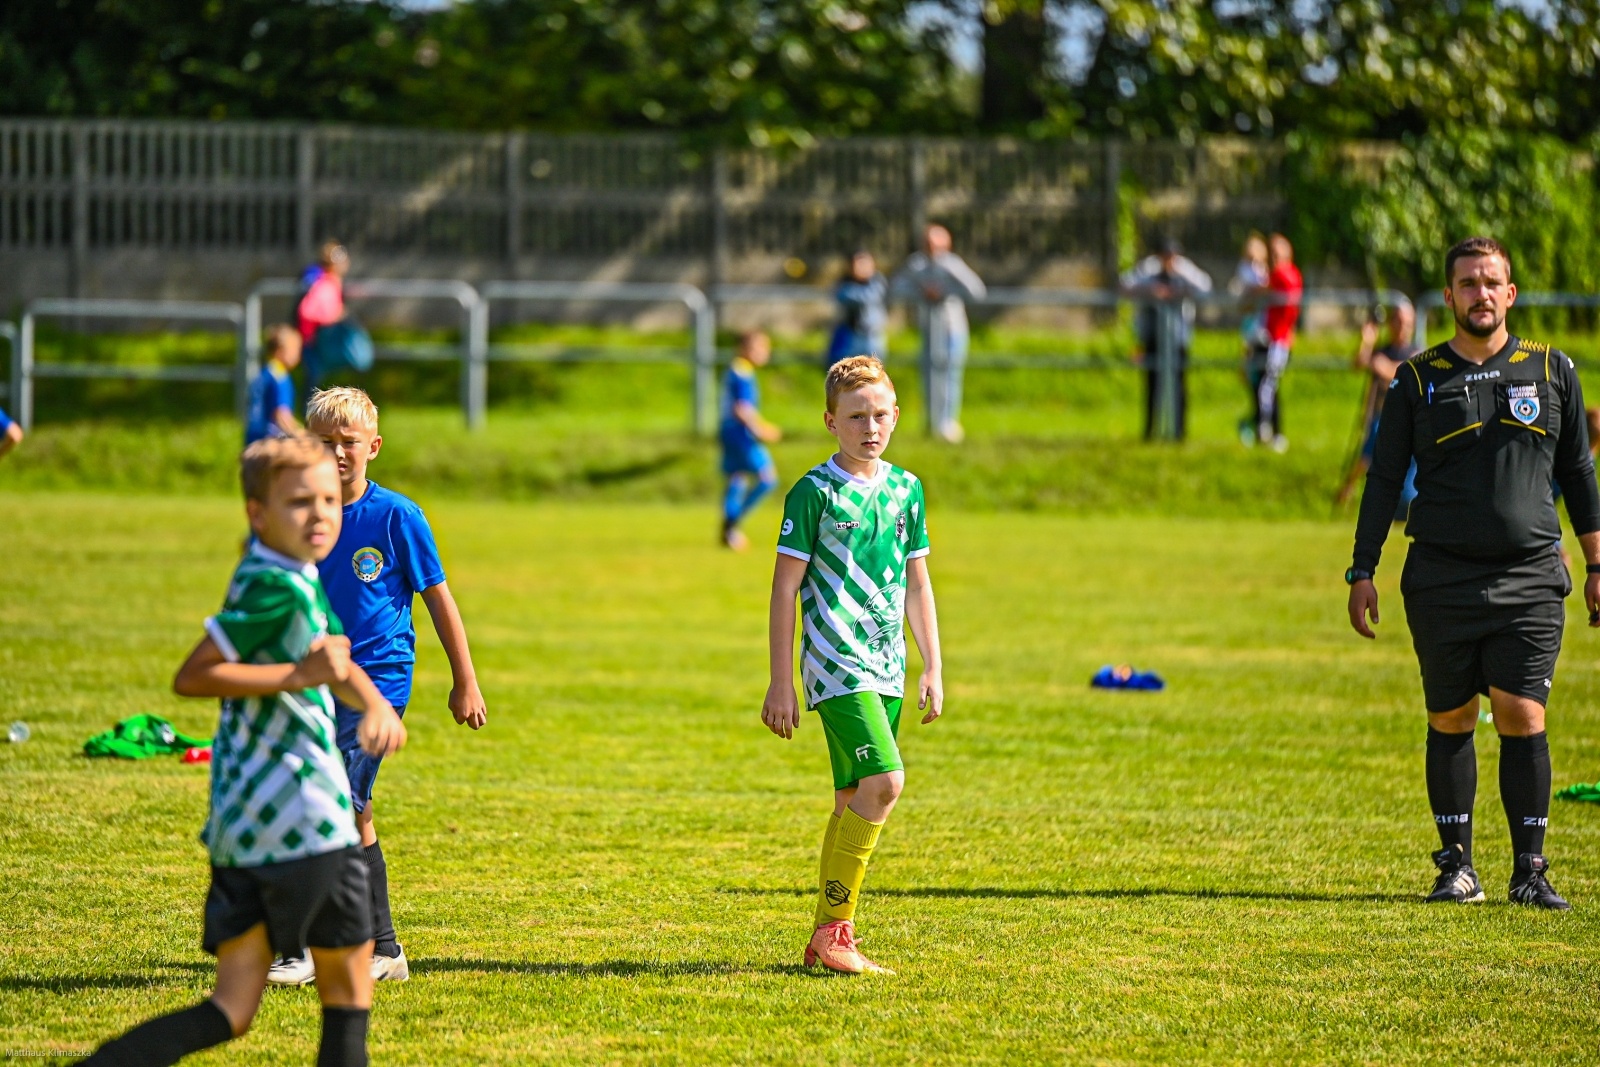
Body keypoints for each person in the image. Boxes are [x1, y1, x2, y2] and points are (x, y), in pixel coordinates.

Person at [82, 435, 406, 1066]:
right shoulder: (273, 587)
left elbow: (331, 654)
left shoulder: (289, 574)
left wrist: (369, 705)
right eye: (299, 503)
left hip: (243, 830)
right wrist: (296, 678)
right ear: (258, 512)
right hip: (306, 823)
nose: (320, 515)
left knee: (232, 1009)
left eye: (329, 501)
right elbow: (194, 676)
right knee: (348, 991)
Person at [1347, 236, 1600, 910]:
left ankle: (1530, 869)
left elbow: (1578, 472)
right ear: (1450, 296)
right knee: (1452, 714)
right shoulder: (1418, 378)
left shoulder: (1552, 371)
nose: (1480, 293)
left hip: (1530, 577)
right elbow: (1382, 481)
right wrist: (1362, 567)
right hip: (1439, 577)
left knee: (1521, 711)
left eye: (1492, 282)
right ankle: (1456, 865)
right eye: (1467, 283)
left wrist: (1597, 560)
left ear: (1510, 293)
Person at [268, 387, 488, 986]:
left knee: (331, 803)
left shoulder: (396, 517)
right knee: (351, 810)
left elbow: (439, 599)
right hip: (315, 683)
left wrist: (464, 680)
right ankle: (383, 950)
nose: (337, 454)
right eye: (323, 443)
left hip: (380, 682)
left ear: (374, 447)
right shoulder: (302, 513)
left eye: (348, 443)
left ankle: (305, 948)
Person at [762, 354, 945, 975]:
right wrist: (781, 682)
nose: (871, 427)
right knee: (886, 783)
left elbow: (918, 584)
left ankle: (824, 938)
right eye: (857, 416)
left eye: (881, 414)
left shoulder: (906, 490)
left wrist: (932, 666)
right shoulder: (813, 493)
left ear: (896, 416)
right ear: (831, 422)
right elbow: (785, 588)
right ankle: (837, 932)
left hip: (887, 662)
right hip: (836, 665)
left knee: (849, 799)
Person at [891, 224, 986, 443]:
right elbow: (896, 287)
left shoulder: (953, 264)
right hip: (929, 331)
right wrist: (921, 291)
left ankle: (948, 423)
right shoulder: (917, 265)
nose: (932, 249)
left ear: (947, 244)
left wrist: (944, 290)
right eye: (928, 243)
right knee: (929, 376)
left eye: (937, 244)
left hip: (953, 331)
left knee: (950, 375)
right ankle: (932, 423)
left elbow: (976, 290)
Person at [1120, 236, 1213, 441]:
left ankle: (1179, 432)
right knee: (1152, 384)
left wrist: (1181, 287)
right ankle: (1150, 431)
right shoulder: (1149, 268)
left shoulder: (1183, 268)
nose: (1169, 260)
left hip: (1178, 337)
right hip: (1153, 335)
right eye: (1166, 256)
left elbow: (1205, 287)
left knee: (1179, 384)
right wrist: (1150, 291)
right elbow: (1125, 284)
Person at [1336, 302, 1420, 508]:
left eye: (1406, 323)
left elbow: (1400, 371)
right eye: (1398, 322)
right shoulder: (1383, 350)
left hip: (1408, 421)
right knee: (1370, 451)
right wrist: (1367, 341)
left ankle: (1350, 488)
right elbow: (1357, 364)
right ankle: (1350, 490)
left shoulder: (1416, 352)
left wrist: (1381, 366)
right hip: (1381, 417)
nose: (1402, 328)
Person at [719, 330, 783, 551]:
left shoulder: (734, 369)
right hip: (741, 433)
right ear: (745, 348)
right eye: (761, 348)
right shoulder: (743, 372)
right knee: (767, 479)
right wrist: (761, 429)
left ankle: (729, 531)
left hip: (728, 431)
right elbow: (742, 409)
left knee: (737, 479)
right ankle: (732, 523)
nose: (765, 353)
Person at [1253, 233, 1303, 452]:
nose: (1273, 258)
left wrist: (1247, 289)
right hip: (1272, 338)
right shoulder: (1289, 274)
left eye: (1276, 253)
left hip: (1279, 342)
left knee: (1268, 387)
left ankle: (1273, 432)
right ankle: (1265, 430)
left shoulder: (1284, 274)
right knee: (1266, 386)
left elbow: (1262, 288)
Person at [1228, 233, 1270, 445]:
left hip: (1265, 332)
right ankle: (1254, 423)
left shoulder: (1265, 270)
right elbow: (1243, 300)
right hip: (1251, 332)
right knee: (1253, 378)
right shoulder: (1245, 271)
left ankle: (1257, 423)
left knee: (1264, 381)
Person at [298, 241, 350, 391]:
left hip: (317, 336)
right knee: (313, 379)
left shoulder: (327, 281)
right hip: (313, 337)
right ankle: (310, 413)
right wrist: (335, 316)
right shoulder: (326, 283)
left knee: (317, 378)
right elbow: (307, 311)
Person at [827, 250, 889, 368]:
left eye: (866, 264)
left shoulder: (877, 281)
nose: (862, 268)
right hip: (849, 335)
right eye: (859, 264)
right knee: (845, 374)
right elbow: (841, 295)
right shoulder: (844, 283)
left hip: (872, 335)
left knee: (873, 373)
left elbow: (871, 296)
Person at [245, 326, 304, 446]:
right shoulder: (280, 376)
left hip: (253, 438)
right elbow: (281, 414)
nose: (298, 355)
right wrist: (301, 435)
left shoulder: (264, 373)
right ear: (280, 351)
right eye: (295, 349)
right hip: (270, 442)